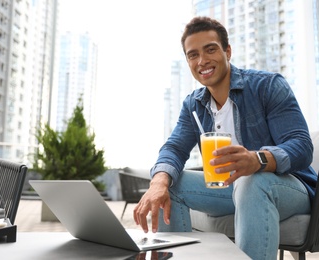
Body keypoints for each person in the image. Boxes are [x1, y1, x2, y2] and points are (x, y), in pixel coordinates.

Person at [133, 16, 318, 259]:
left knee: (251, 181)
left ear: (227, 51)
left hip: (289, 187)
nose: (202, 61)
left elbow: (301, 147)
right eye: (193, 54)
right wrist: (159, 181)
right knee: (171, 183)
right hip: (230, 189)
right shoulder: (193, 105)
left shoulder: (268, 86)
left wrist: (258, 160)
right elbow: (175, 147)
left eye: (210, 49)